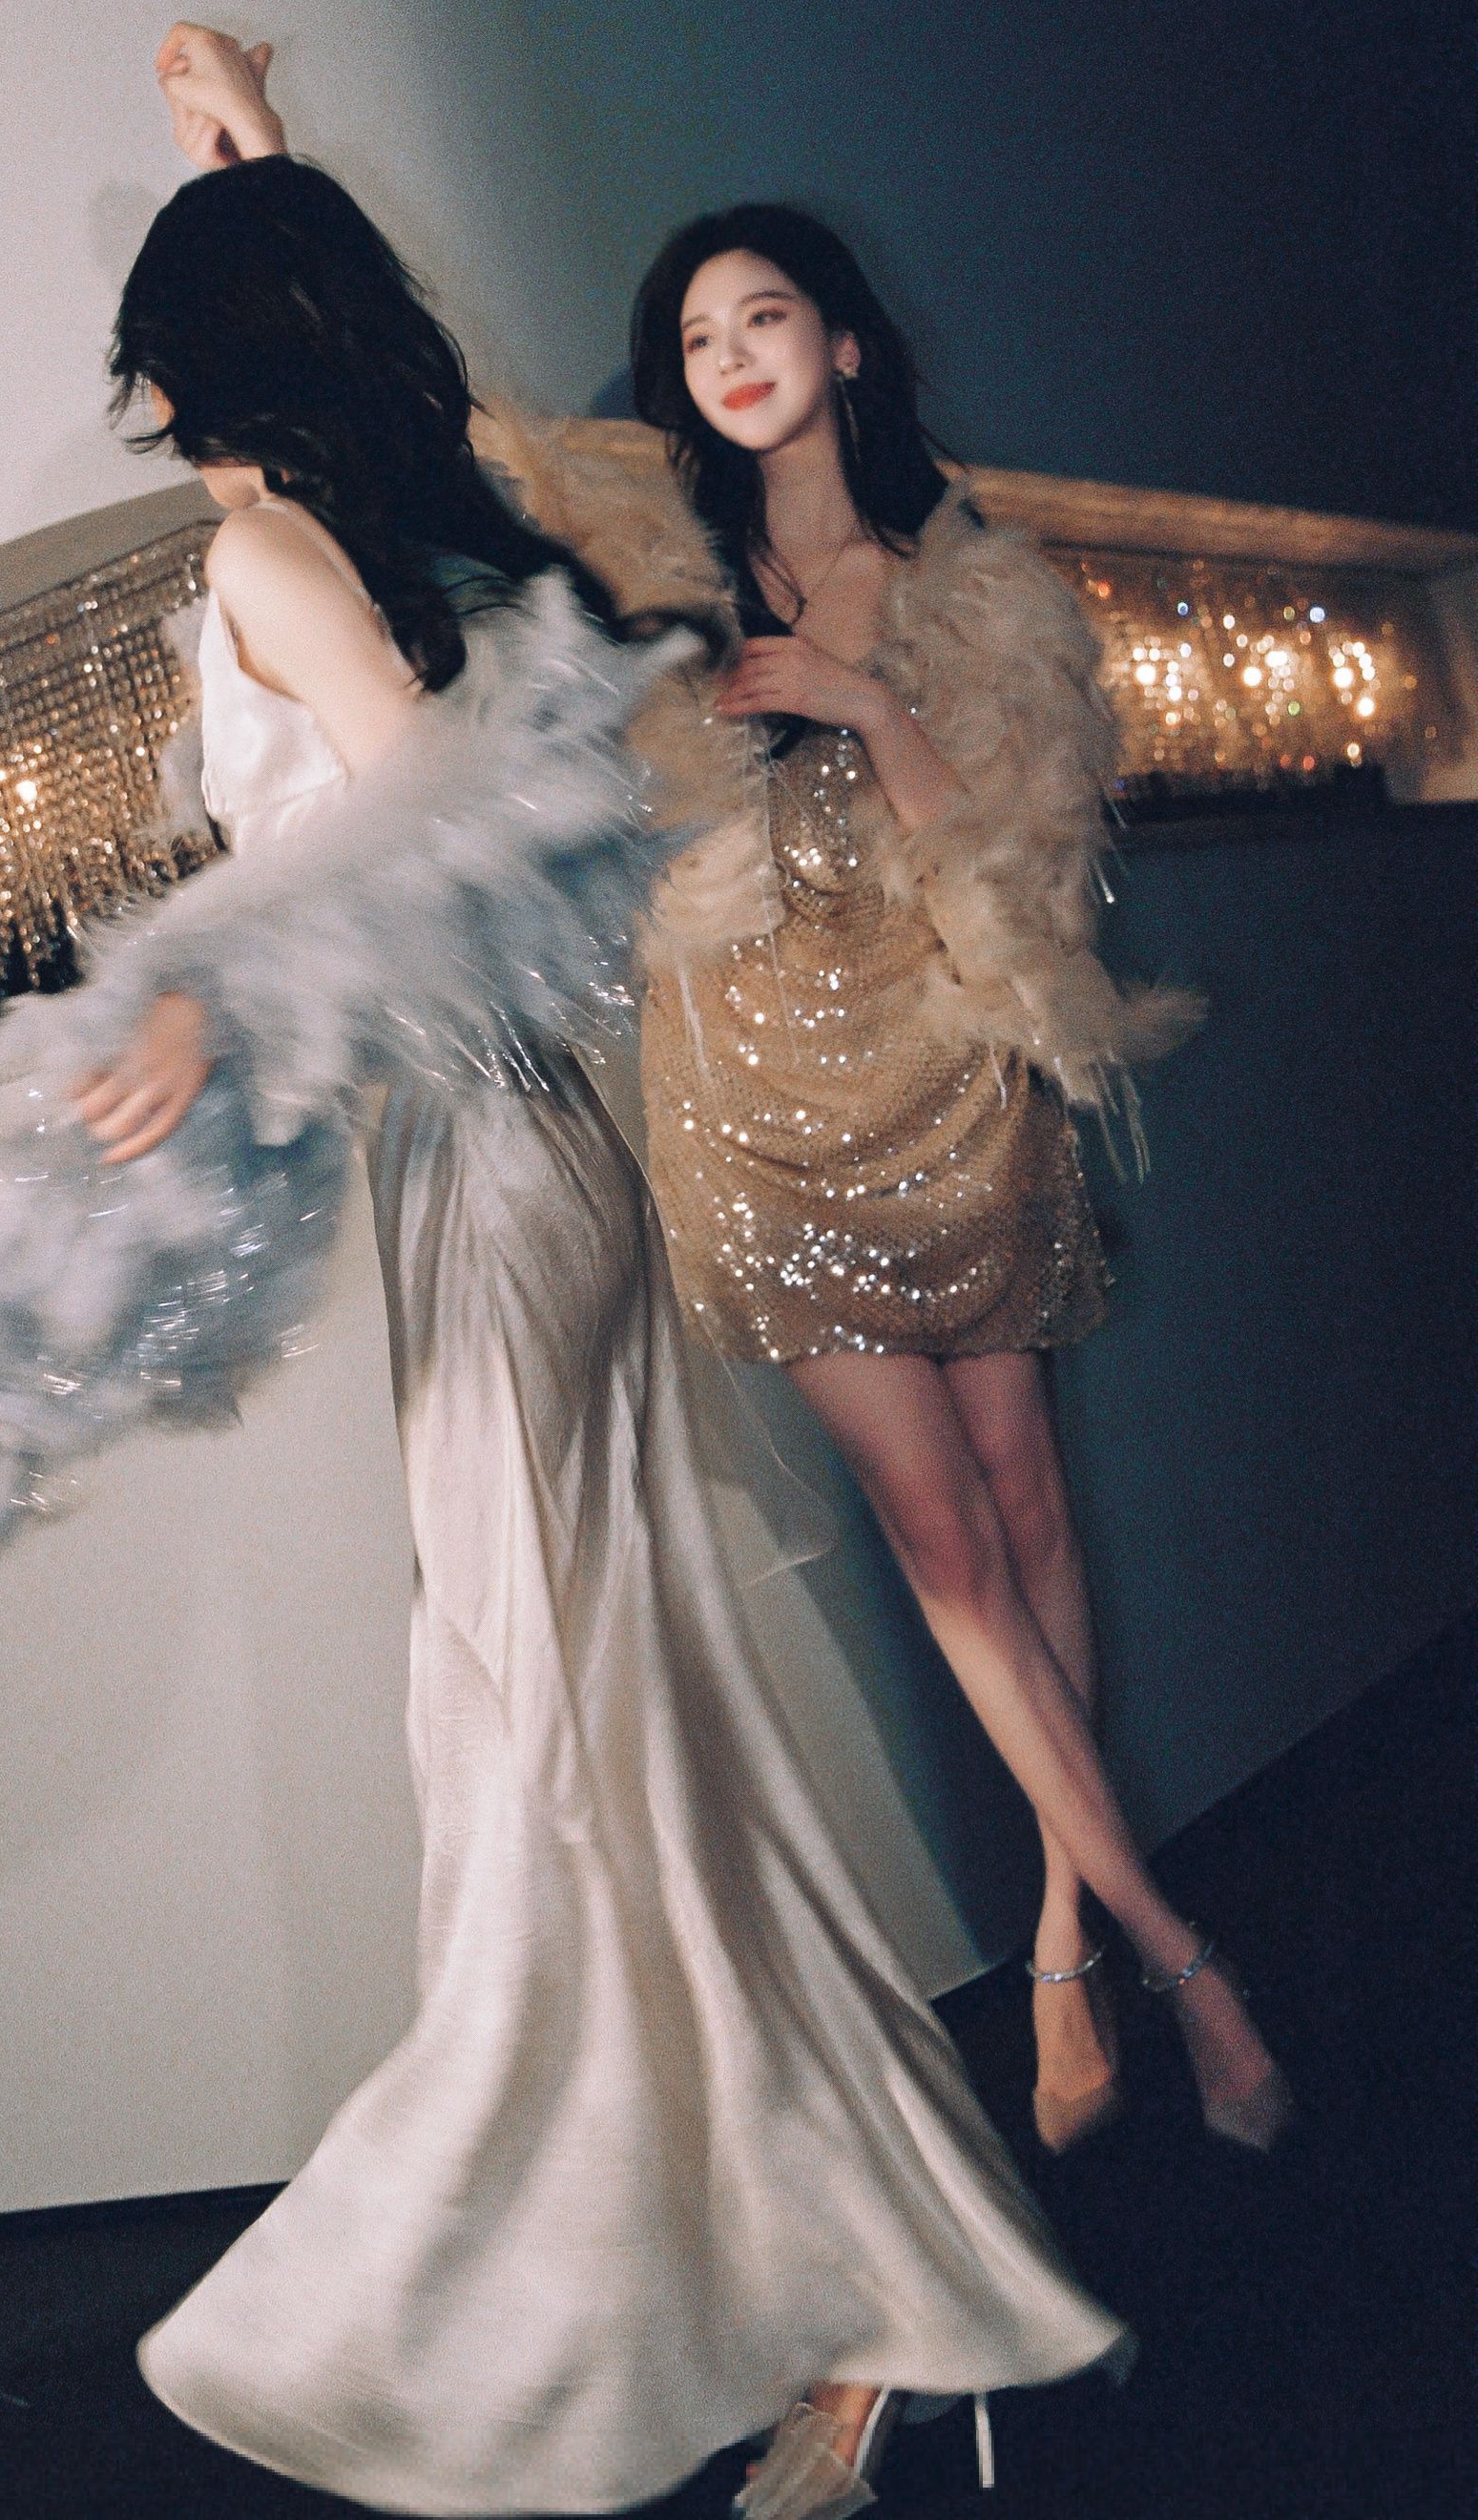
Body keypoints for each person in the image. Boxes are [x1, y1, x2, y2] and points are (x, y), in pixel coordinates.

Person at [72, 30, 1127, 2520]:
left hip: (491, 1157)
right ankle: (832, 2275)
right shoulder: (400, 526)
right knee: (614, 1717)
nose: (123, 395)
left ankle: (768, 2278)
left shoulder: (271, 552)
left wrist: (206, 979)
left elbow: (418, 802)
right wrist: (253, 161)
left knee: (548, 1725)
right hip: (536, 1148)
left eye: (141, 347)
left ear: (179, 365)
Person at [617, 203, 1292, 2163]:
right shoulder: (665, 597)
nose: (732, 356)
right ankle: (1185, 1960)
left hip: (953, 1067)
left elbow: (1010, 863)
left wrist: (871, 703)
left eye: (765, 316)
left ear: (843, 346)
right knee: (938, 1537)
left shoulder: (968, 588)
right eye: (698, 337)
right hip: (756, 1101)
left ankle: (1068, 1929)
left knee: (1024, 1498)